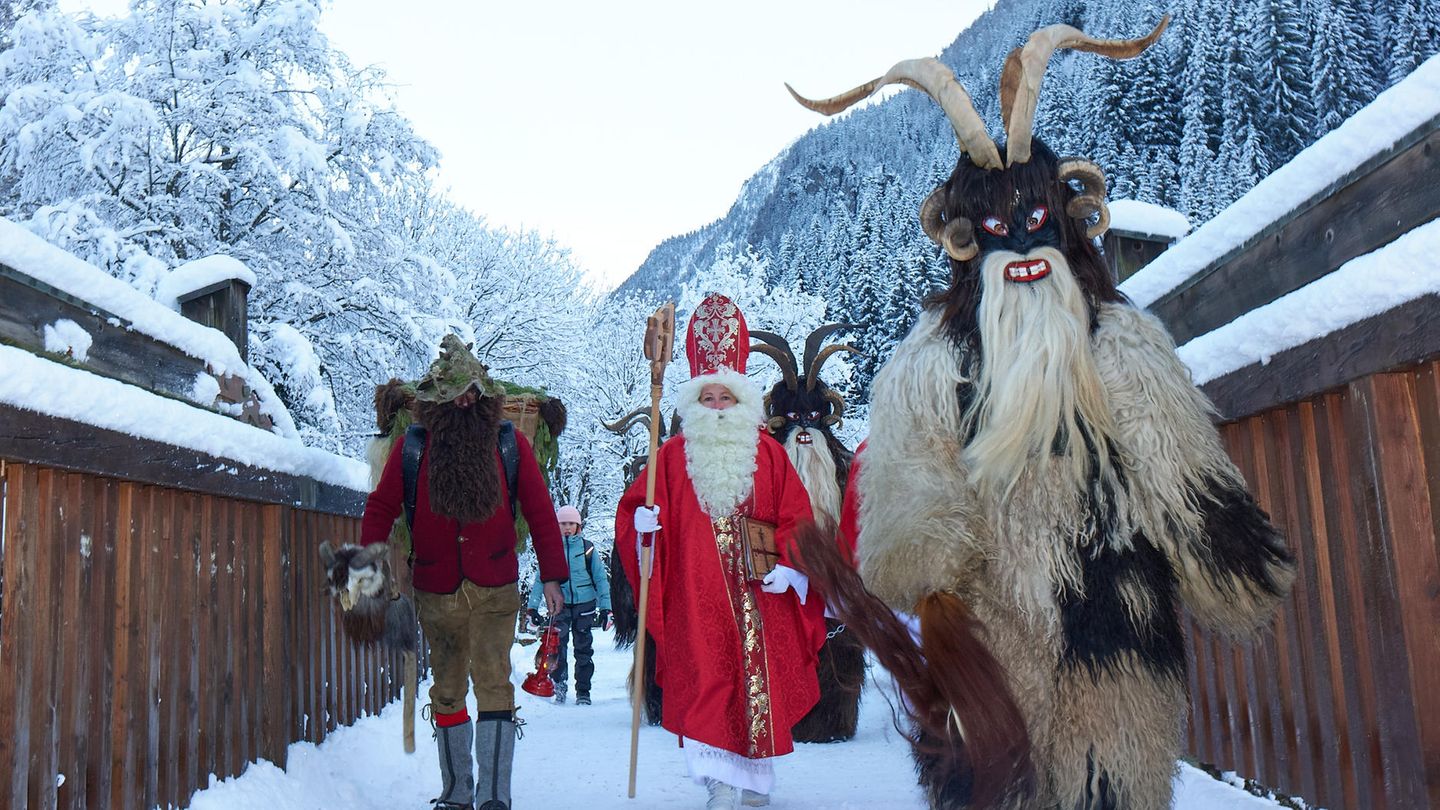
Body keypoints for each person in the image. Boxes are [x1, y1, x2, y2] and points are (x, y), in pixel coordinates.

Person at [786, 20, 1296, 810]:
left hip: (1119, 630)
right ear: (963, 243)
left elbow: (1177, 463)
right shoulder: (932, 363)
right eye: (995, 232)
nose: (1021, 248)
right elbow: (909, 498)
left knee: (1112, 785)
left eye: (1035, 225)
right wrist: (928, 570)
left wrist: (1222, 550)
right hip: (995, 638)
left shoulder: (1118, 342)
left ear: (1065, 221)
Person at [616, 293, 826, 810]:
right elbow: (635, 517)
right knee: (709, 684)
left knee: (754, 685)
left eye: (724, 399)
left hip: (761, 599)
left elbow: (799, 518)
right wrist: (643, 528)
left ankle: (753, 783)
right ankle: (717, 782)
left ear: (741, 401)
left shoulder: (772, 457)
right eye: (706, 400)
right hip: (695, 599)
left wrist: (794, 570)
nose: (716, 408)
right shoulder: (668, 459)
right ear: (693, 403)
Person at [359, 334, 568, 810]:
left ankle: (494, 796)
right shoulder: (413, 448)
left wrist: (553, 577)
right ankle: (457, 793)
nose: (464, 402)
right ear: (434, 403)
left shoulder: (509, 443)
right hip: (436, 589)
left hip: (496, 588)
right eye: (453, 396)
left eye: (473, 393)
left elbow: (538, 509)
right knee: (449, 689)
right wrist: (369, 556)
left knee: (494, 681)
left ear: (484, 396)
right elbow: (382, 505)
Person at [526, 504, 613, 705]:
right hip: (559, 605)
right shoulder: (551, 551)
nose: (567, 527)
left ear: (578, 526)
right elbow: (541, 580)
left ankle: (583, 691)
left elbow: (600, 579)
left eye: (571, 523)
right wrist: (532, 607)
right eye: (563, 523)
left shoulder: (587, 549)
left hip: (585, 604)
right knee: (557, 648)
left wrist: (606, 608)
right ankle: (559, 686)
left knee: (584, 648)